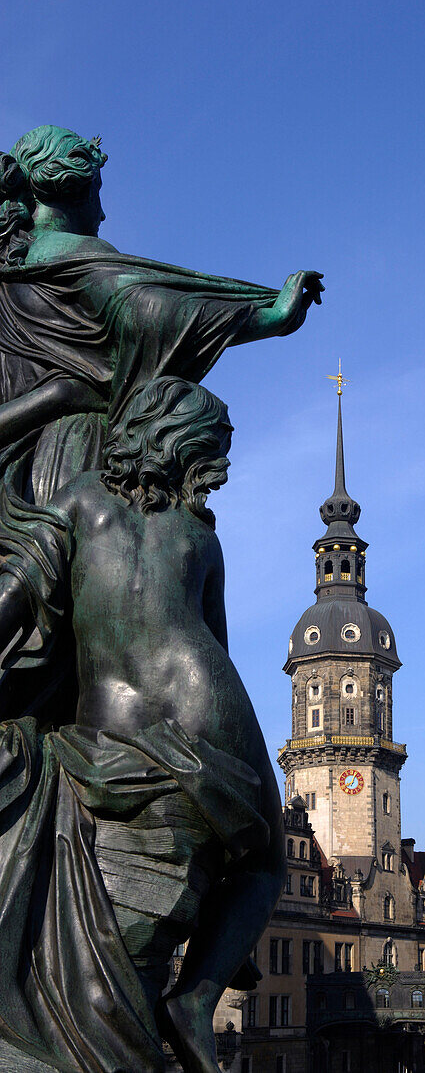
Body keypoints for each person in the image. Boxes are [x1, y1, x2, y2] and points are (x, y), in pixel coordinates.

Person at [0, 378, 285, 1073]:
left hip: (107, 728)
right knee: (267, 861)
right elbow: (213, 641)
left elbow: (13, 598)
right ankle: (196, 997)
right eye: (211, 451)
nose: (216, 468)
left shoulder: (76, 501)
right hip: (208, 710)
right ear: (181, 444)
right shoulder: (198, 536)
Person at [0, 125, 323, 507]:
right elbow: (153, 312)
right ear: (76, 188)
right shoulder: (69, 254)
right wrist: (268, 318)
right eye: (98, 195)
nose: (102, 214)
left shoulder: (14, 265)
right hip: (69, 451)